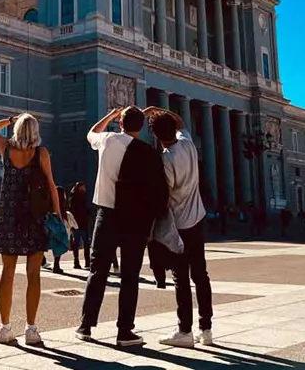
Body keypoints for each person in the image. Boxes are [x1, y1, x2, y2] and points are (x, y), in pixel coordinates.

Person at [76, 107, 168, 348]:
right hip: (135, 219)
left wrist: (110, 116)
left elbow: (91, 133)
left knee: (97, 271)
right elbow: (157, 189)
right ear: (141, 126)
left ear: (120, 123)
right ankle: (124, 331)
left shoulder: (106, 139)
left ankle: (85, 326)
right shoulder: (148, 152)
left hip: (106, 215)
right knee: (130, 276)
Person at [0, 113, 61, 346]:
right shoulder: (41, 153)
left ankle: (4, 328)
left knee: (7, 273)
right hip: (34, 218)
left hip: (8, 216)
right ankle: (31, 329)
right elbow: (51, 185)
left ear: (17, 130)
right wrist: (58, 214)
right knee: (33, 274)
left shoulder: (6, 149)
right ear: (36, 131)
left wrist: (10, 119)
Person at [146, 108, 214, 349]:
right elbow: (183, 122)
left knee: (181, 278)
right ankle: (206, 329)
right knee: (201, 275)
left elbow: (166, 191)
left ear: (155, 135)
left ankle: (184, 330)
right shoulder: (188, 145)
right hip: (197, 218)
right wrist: (161, 112)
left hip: (179, 224)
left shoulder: (166, 158)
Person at [51, 187, 74, 274]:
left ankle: (54, 264)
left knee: (56, 246)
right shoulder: (60, 203)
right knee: (59, 246)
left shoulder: (53, 202)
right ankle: (56, 265)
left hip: (54, 226)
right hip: (59, 226)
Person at [68, 182, 91, 270]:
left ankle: (77, 261)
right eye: (83, 187)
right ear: (80, 188)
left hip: (77, 224)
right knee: (85, 244)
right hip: (81, 224)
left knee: (76, 244)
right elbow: (81, 211)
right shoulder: (79, 197)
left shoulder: (73, 197)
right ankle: (87, 262)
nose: (85, 189)